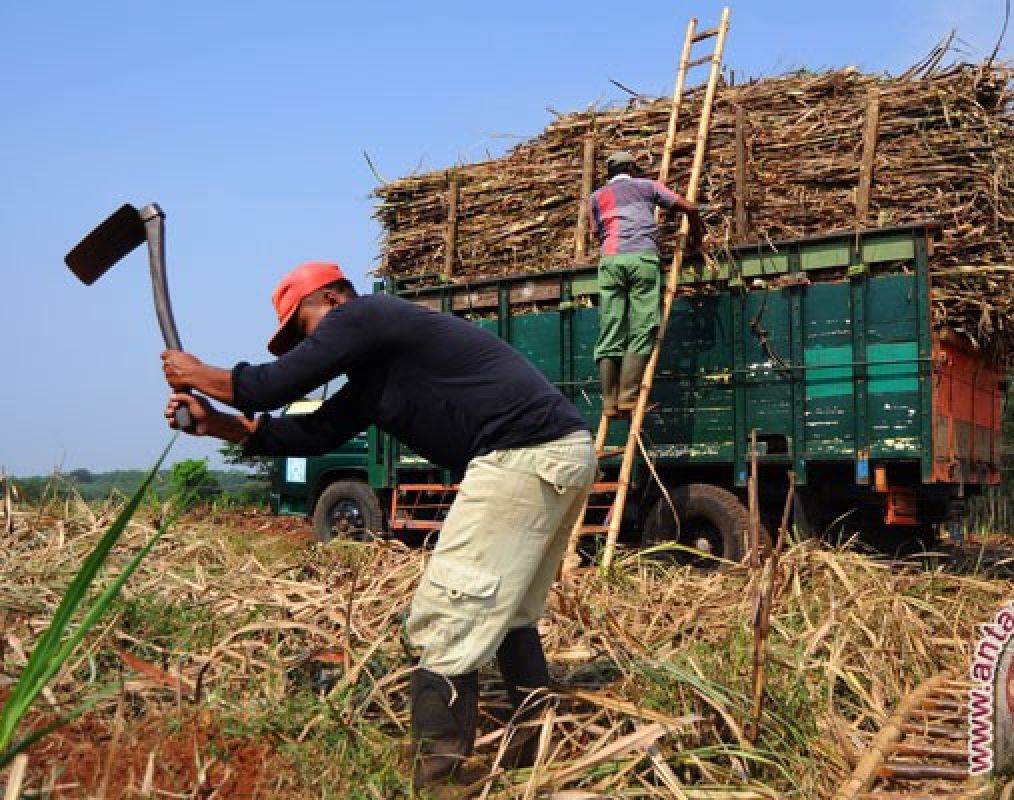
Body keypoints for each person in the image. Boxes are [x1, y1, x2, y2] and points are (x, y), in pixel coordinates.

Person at [160, 261, 597, 789]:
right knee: (508, 615)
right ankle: (537, 747)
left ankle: (439, 781)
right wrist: (221, 426)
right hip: (557, 451)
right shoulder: (377, 372)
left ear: (332, 299)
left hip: (521, 454)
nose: (309, 347)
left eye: (304, 328)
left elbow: (272, 386)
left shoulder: (367, 314)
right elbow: (314, 431)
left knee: (445, 618)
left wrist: (198, 374)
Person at [589, 150, 701, 415]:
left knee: (611, 327)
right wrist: (698, 237)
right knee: (642, 326)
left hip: (610, 261)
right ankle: (628, 396)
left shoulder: (595, 197)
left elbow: (598, 233)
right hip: (642, 259)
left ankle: (608, 402)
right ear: (631, 167)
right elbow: (690, 207)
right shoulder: (646, 186)